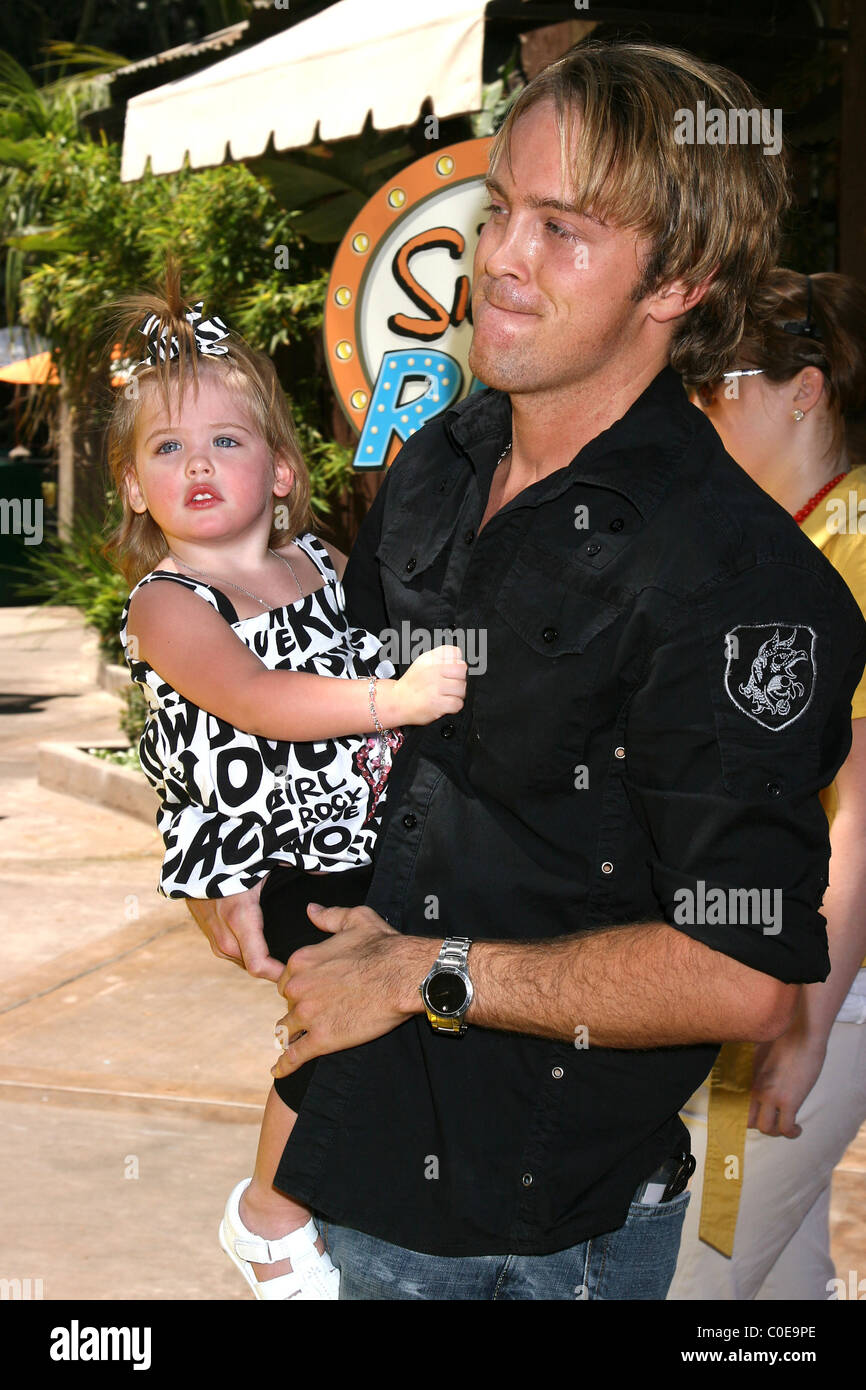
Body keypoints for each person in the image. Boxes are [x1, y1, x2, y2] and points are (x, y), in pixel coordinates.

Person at [190, 39, 866, 1300]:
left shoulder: (738, 588)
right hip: (354, 1162)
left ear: (678, 280)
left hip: (543, 1237)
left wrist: (427, 974)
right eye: (501, 206)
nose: (495, 256)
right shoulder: (432, 467)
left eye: (564, 229)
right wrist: (252, 876)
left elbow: (745, 970)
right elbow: (375, 766)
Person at [107, 267, 467, 1299]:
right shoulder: (169, 602)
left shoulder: (319, 558)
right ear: (134, 485)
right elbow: (261, 697)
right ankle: (267, 1214)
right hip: (263, 851)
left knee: (404, 1003)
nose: (200, 463)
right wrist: (392, 702)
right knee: (347, 1012)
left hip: (356, 833)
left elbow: (381, 633)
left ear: (278, 468)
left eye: (227, 439)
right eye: (167, 447)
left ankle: (342, 1188)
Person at [668, 269, 866, 1300]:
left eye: (717, 385)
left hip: (819, 980)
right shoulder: (782, 540)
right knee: (781, 1281)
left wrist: (805, 1026)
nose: (697, 411)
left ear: (803, 389)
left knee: (691, 1277)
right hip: (772, 971)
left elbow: (864, 822)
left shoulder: (854, 548)